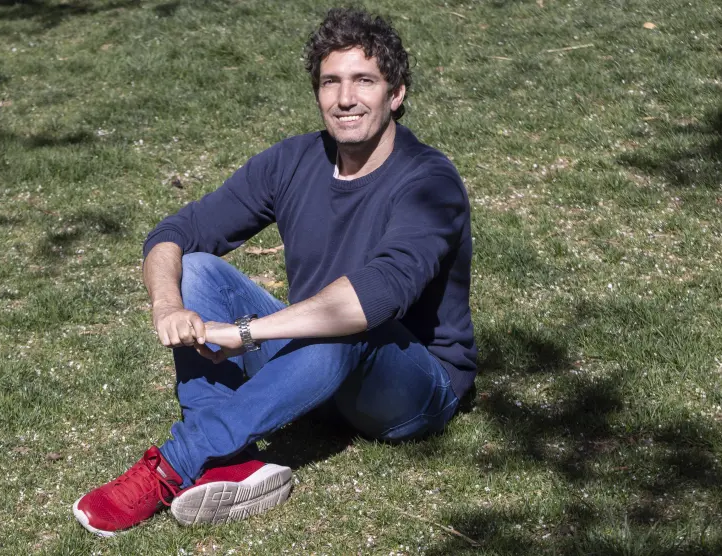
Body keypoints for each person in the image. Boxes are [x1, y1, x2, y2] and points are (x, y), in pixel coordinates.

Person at [72, 8, 476, 537]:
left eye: (364, 81)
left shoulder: (430, 181)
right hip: (318, 370)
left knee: (349, 321)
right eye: (331, 82)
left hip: (411, 385)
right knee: (194, 270)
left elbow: (376, 296)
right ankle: (228, 460)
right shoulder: (294, 160)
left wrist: (244, 333)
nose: (345, 98)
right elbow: (176, 232)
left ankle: (176, 464)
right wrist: (167, 305)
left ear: (395, 93)